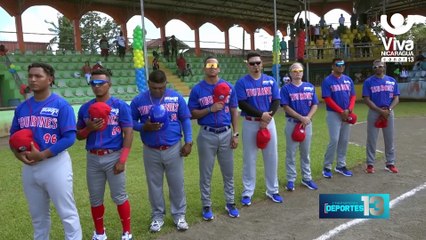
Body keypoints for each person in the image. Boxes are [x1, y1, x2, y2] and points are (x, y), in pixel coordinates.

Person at [9, 62, 82, 239]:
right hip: (30, 166)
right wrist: (18, 155)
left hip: (55, 164)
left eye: (38, 76)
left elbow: (69, 138)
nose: (33, 79)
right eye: (30, 76)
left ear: (50, 79)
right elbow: (13, 137)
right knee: (38, 217)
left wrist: (43, 154)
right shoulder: (22, 108)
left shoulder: (61, 105)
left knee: (67, 213)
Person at [130, 70, 192, 233]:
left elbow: (185, 118)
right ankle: (157, 216)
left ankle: (179, 215)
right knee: (154, 185)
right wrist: (143, 126)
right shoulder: (138, 100)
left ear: (166, 84)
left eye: (161, 88)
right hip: (151, 150)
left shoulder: (176, 97)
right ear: (149, 84)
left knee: (177, 183)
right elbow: (130, 122)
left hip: (173, 147)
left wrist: (189, 141)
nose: (158, 91)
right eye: (155, 88)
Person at [76, 68, 134, 240]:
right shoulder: (85, 108)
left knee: (119, 196)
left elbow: (129, 133)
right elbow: (78, 135)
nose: (97, 86)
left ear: (109, 84)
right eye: (93, 83)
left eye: (101, 83)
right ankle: (100, 233)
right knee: (95, 199)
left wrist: (122, 160)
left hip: (114, 156)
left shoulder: (120, 106)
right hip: (93, 158)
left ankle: (127, 232)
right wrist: (89, 129)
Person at [188, 56, 240, 221]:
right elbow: (192, 113)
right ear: (204, 68)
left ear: (219, 68)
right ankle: (206, 205)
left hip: (226, 133)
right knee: (206, 173)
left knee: (228, 172)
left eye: (214, 65)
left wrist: (236, 134)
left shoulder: (229, 87)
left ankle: (230, 203)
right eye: (209, 65)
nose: (212, 67)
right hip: (206, 134)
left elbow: (234, 111)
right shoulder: (197, 89)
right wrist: (210, 109)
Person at [235, 52, 282, 205]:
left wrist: (267, 117)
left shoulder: (270, 80)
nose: (255, 66)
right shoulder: (242, 83)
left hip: (268, 122)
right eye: (252, 63)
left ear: (262, 64)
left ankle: (273, 190)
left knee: (271, 157)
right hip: (250, 122)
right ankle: (248, 192)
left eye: (258, 63)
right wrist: (261, 115)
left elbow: (276, 100)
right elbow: (242, 103)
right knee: (249, 158)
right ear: (247, 65)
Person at [280, 62, 319, 191]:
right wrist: (300, 117)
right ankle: (291, 179)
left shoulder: (309, 87)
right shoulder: (286, 88)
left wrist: (307, 117)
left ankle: (306, 178)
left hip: (307, 124)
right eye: (295, 71)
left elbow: (315, 104)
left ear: (303, 72)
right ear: (290, 73)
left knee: (305, 152)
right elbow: (285, 106)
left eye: (300, 70)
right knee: (291, 153)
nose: (297, 73)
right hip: (292, 123)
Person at [362, 60, 400, 174]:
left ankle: (390, 163)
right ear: (373, 68)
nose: (378, 68)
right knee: (372, 139)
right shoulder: (368, 82)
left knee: (389, 138)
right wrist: (379, 111)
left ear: (384, 67)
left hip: (388, 112)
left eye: (380, 66)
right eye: (375, 67)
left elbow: (396, 98)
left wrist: (389, 110)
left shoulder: (392, 81)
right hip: (374, 111)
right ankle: (370, 164)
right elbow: (366, 99)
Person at [321, 58, 356, 178]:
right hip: (333, 114)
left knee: (344, 140)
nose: (341, 66)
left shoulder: (348, 80)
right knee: (334, 140)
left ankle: (341, 165)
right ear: (333, 66)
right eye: (338, 64)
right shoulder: (327, 81)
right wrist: (341, 111)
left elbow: (353, 96)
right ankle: (327, 166)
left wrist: (349, 110)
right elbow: (327, 99)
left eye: (342, 64)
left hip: (346, 113)